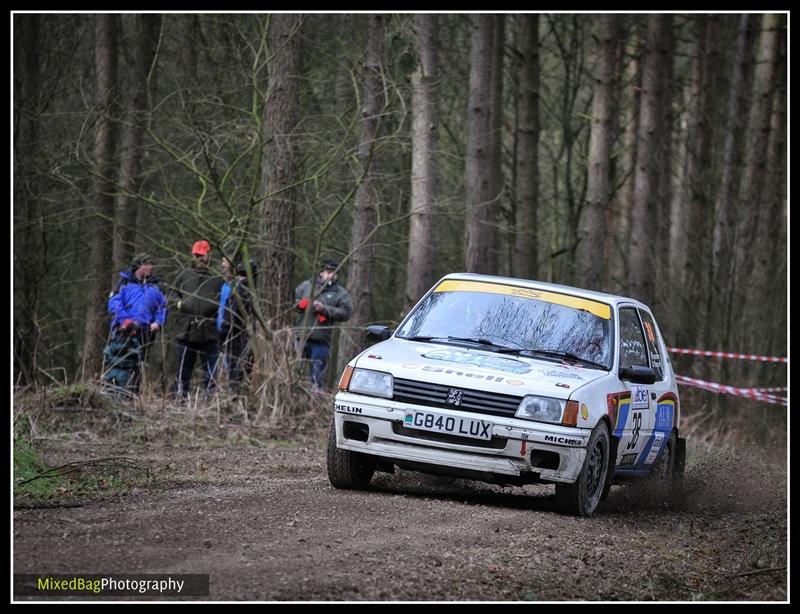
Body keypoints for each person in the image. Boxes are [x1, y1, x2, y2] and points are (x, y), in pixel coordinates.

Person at [168, 240, 225, 399]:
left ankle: (211, 402)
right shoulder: (184, 275)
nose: (199, 259)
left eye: (202, 255)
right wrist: (180, 304)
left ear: (208, 255)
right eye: (196, 255)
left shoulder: (217, 278)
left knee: (211, 372)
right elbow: (171, 297)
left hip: (210, 332)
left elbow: (225, 301)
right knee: (183, 370)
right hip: (186, 331)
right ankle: (179, 399)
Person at [104, 253, 167, 395]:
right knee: (118, 361)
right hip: (123, 330)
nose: (152, 267)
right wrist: (125, 320)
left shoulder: (157, 287)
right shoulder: (124, 283)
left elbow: (162, 308)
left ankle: (132, 395)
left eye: (152, 264)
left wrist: (158, 322)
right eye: (148, 264)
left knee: (139, 364)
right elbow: (114, 303)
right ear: (140, 266)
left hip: (145, 332)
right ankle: (113, 393)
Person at [294, 258, 352, 390]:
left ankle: (314, 405)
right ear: (321, 272)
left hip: (321, 341)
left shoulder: (340, 294)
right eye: (328, 271)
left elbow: (346, 313)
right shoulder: (307, 286)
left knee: (316, 377)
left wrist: (325, 310)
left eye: (333, 272)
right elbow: (293, 301)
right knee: (296, 372)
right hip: (301, 336)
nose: (330, 274)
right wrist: (304, 304)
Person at [217, 253, 256, 393]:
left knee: (236, 372)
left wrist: (223, 330)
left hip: (235, 336)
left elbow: (231, 314)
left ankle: (236, 398)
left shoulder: (240, 289)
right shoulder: (243, 288)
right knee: (237, 371)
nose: (222, 265)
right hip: (236, 335)